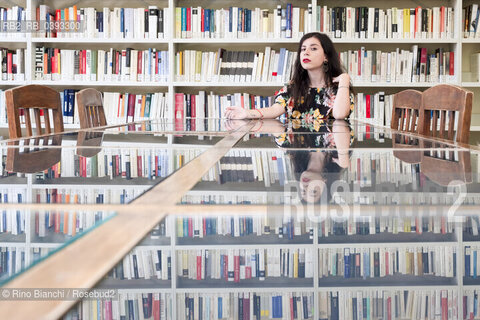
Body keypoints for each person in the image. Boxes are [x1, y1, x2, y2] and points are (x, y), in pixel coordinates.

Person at [224, 32, 354, 121]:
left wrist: (345, 79)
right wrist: (247, 113)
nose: (306, 53)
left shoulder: (341, 88)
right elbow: (275, 109)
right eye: (303, 49)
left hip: (330, 153)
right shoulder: (292, 88)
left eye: (313, 49)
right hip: (301, 152)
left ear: (326, 56)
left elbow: (340, 115)